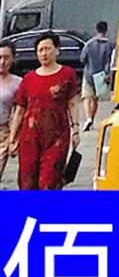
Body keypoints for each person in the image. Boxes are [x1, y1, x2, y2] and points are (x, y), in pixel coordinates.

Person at [6, 35, 79, 190]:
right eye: (40, 50)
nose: (44, 53)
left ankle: (46, 213)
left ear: (57, 50)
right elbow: (20, 109)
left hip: (57, 136)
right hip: (30, 137)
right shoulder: (29, 78)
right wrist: (13, 138)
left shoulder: (67, 74)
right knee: (27, 181)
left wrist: (76, 129)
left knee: (49, 181)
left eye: (47, 49)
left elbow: (72, 103)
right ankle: (30, 213)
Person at [78, 22, 112, 126]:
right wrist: (108, 74)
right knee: (95, 99)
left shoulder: (89, 44)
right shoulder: (109, 45)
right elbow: (110, 61)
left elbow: (82, 59)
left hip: (89, 73)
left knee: (87, 97)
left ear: (96, 29)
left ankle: (88, 118)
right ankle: (92, 118)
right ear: (106, 30)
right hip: (102, 75)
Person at [0, 43, 19, 185]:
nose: (2, 62)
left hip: (4, 133)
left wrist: (14, 138)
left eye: (6, 58)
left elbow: (19, 112)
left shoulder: (18, 83)